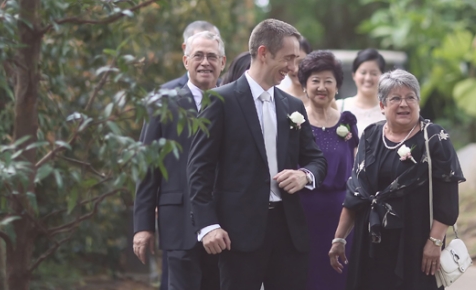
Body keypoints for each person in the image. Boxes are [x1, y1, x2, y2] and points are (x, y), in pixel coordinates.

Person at [188, 19, 327, 290]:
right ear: (263, 53)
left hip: (288, 232)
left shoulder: (293, 105)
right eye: (288, 58)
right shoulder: (220, 101)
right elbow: (199, 170)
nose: (293, 68)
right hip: (238, 234)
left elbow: (317, 160)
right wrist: (207, 225)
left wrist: (304, 175)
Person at [328, 70, 465, 290]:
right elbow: (355, 191)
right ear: (382, 106)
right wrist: (339, 238)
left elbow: (447, 198)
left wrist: (435, 241)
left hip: (416, 240)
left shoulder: (434, 138)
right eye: (395, 98)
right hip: (370, 240)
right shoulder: (371, 135)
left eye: (410, 97)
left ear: (418, 103)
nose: (404, 104)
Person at [133, 31, 227, 290]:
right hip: (178, 221)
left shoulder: (233, 103)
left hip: (224, 225)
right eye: (198, 56)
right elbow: (148, 167)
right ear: (186, 61)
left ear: (223, 62)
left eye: (212, 56)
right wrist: (143, 226)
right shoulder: (163, 104)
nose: (205, 62)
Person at [297, 50, 359, 290]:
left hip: (342, 215)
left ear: (337, 86)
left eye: (328, 81)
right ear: (305, 85)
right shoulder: (294, 121)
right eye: (315, 81)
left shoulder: (347, 122)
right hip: (304, 214)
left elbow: (356, 169)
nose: (321, 87)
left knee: (340, 277)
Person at [336, 48, 386, 137]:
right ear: (354, 75)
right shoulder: (339, 107)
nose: (368, 78)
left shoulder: (388, 110)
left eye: (374, 73)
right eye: (363, 73)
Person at [162, 21, 221, 90]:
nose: (205, 62)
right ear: (185, 48)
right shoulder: (165, 93)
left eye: (212, 40)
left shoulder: (229, 90)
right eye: (198, 55)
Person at [278, 37, 312, 105]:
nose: (296, 69)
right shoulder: (280, 99)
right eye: (290, 62)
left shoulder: (321, 97)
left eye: (301, 62)